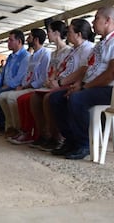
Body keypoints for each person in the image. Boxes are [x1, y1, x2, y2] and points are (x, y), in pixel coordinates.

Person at [49, 6, 114, 160]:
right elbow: (88, 68)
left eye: (96, 19)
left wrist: (83, 87)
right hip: (92, 87)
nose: (93, 23)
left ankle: (84, 143)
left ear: (107, 21)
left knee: (77, 99)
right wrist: (77, 84)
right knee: (56, 98)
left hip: (112, 90)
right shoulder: (100, 44)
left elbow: (112, 73)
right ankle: (71, 140)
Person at [27, 18, 95, 151]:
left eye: (69, 31)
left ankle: (58, 137)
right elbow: (61, 67)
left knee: (50, 98)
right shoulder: (74, 50)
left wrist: (60, 83)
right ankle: (45, 134)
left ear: (78, 34)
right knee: (35, 97)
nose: (67, 34)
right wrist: (53, 79)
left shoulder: (87, 48)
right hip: (63, 82)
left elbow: (83, 70)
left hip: (73, 85)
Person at [0, 28, 51, 143]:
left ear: (36, 39)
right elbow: (28, 75)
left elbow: (43, 77)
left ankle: (21, 129)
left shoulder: (45, 54)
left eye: (30, 37)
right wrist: (23, 85)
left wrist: (26, 86)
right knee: (2, 96)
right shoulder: (32, 56)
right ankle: (12, 127)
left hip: (37, 87)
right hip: (28, 86)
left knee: (12, 97)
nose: (27, 39)